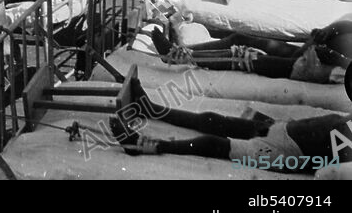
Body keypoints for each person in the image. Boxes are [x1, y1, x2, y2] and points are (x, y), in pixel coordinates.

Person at [110, 67, 352, 170]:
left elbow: (332, 168)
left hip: (284, 153)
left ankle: (141, 146)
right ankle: (150, 110)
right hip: (283, 129)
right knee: (211, 119)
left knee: (212, 143)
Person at [150, 18, 352, 82]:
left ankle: (180, 57)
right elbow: (347, 24)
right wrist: (329, 30)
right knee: (239, 38)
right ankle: (182, 51)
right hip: (321, 51)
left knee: (246, 56)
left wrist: (338, 59)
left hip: (331, 70)